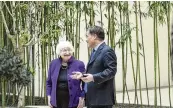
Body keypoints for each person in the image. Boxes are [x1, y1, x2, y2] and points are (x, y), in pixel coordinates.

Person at [71, 26, 117, 108]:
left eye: (87, 36)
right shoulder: (95, 51)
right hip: (93, 98)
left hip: (102, 100)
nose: (86, 39)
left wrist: (93, 78)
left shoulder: (107, 51)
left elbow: (111, 71)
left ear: (94, 36)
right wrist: (82, 75)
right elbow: (94, 71)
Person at [46, 41, 85, 108]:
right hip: (56, 100)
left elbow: (85, 83)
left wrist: (82, 98)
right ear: (59, 52)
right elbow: (49, 83)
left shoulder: (79, 64)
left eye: (69, 50)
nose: (67, 52)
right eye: (64, 50)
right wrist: (49, 97)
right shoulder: (53, 64)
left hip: (74, 100)